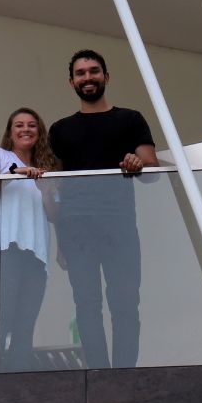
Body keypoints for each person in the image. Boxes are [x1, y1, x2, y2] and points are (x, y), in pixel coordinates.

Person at [49, 49, 158, 369]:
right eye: (81, 73)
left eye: (94, 71)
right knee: (86, 304)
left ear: (106, 77)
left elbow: (152, 171)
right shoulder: (60, 129)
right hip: (75, 226)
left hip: (119, 223)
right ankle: (98, 373)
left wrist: (138, 164)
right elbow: (53, 187)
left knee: (125, 302)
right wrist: (59, 240)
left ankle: (124, 374)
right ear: (71, 82)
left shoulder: (130, 119)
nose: (88, 77)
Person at [0, 107, 58, 373]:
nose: (25, 129)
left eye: (32, 125)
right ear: (10, 132)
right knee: (3, 318)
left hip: (36, 252)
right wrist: (13, 174)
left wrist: (45, 192)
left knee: (25, 323)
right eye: (19, 125)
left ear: (39, 131)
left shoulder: (46, 169)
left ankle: (18, 386)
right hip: (3, 247)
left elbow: (54, 215)